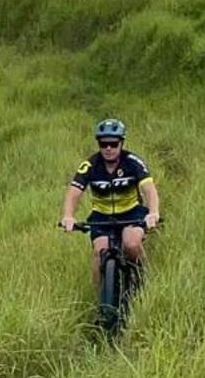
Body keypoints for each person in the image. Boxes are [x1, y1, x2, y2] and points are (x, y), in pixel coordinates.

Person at [60, 117, 160, 291]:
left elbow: (149, 189)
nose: (108, 148)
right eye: (103, 144)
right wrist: (68, 216)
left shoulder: (133, 162)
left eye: (113, 144)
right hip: (101, 216)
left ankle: (142, 281)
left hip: (131, 212)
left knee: (132, 243)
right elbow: (73, 193)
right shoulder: (90, 165)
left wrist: (153, 212)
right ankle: (101, 304)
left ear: (121, 143)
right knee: (100, 252)